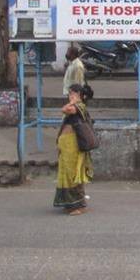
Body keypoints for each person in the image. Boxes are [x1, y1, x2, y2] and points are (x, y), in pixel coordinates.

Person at [54, 83, 95, 215]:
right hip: (67, 147)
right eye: (69, 93)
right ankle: (70, 204)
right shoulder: (76, 106)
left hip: (73, 147)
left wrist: (74, 101)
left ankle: (79, 205)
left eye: (72, 93)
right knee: (66, 174)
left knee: (73, 174)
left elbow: (65, 109)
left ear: (79, 95)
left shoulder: (79, 107)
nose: (69, 95)